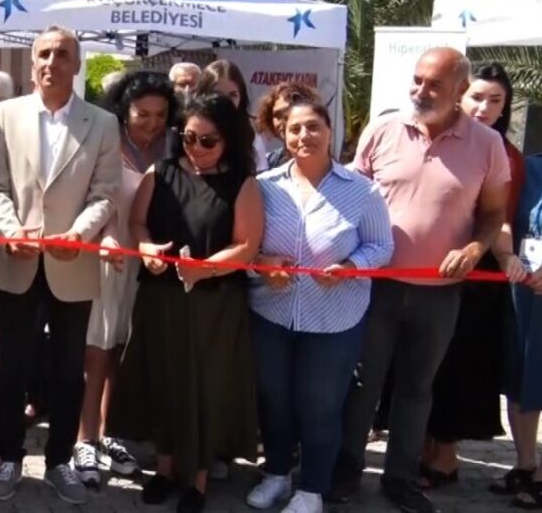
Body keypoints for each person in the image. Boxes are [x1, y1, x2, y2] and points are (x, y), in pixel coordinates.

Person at [331, 48, 509, 513]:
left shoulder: (486, 145)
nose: (420, 91)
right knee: (362, 384)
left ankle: (400, 478)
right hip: (375, 287)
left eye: (433, 84)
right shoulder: (383, 129)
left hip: (440, 294)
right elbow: (350, 197)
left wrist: (474, 249)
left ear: (458, 90)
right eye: (417, 80)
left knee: (416, 388)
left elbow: (492, 214)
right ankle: (346, 469)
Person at [0, 25, 121, 505]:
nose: (51, 62)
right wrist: (9, 230)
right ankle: (8, 458)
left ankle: (60, 461)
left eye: (63, 54)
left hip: (72, 263)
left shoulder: (102, 124)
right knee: (12, 367)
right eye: (43, 53)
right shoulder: (5, 115)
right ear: (31, 61)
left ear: (77, 64)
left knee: (67, 370)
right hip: (15, 259)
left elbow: (105, 195)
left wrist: (80, 234)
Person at [107, 91, 263, 513]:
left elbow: (247, 245)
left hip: (215, 304)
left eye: (207, 141)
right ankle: (165, 468)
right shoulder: (162, 172)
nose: (196, 148)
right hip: (161, 299)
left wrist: (205, 268)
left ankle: (197, 480)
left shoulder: (242, 184)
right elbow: (138, 222)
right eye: (189, 138)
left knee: (205, 389)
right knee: (163, 380)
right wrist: (148, 250)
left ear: (228, 139)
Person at [245, 100, 393, 513]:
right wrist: (262, 264)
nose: (303, 137)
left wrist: (352, 266)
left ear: (331, 131)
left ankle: (312, 489)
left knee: (320, 405)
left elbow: (382, 246)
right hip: (272, 313)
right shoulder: (265, 185)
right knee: (274, 399)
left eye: (313, 127)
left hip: (334, 319)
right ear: (282, 134)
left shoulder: (362, 190)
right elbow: (248, 245)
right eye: (294, 129)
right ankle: (276, 474)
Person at [421, 62, 524, 488]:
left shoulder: (508, 155)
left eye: (495, 100)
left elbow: (500, 216)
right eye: (476, 97)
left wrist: (504, 257)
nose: (484, 107)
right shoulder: (438, 136)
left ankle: (445, 456)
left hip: (478, 272)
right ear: (459, 95)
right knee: (424, 364)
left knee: (459, 365)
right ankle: (426, 447)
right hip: (426, 264)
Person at [73, 70, 177, 489]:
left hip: (149, 263)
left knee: (123, 349)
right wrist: (105, 236)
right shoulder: (105, 140)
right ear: (124, 110)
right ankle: (83, 439)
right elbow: (86, 198)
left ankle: (109, 433)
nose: (151, 123)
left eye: (160, 114)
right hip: (106, 255)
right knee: (96, 348)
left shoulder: (175, 146)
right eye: (142, 113)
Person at [497, 151, 542, 507]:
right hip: (526, 292)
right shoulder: (527, 168)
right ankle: (527, 466)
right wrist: (507, 255)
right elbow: (502, 218)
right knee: (523, 376)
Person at [199, 59, 266, 172]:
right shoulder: (190, 128)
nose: (226, 101)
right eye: (217, 94)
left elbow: (260, 172)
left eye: (233, 95)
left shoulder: (249, 132)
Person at [254, 82, 321, 171]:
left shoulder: (321, 161)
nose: (284, 120)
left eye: (288, 111)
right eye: (277, 115)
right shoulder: (269, 162)